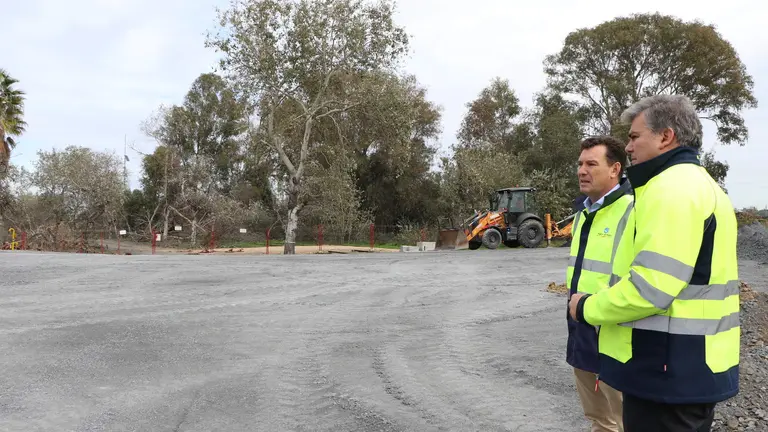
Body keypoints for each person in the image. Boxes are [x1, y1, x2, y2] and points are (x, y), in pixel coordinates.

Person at [569, 94, 740, 432]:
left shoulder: (670, 189)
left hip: (667, 369)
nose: (628, 147)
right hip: (688, 366)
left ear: (666, 136)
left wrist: (587, 308)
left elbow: (651, 288)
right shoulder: (701, 185)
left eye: (634, 137)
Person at [566, 136, 633, 432]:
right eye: (580, 164)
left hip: (616, 334)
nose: (582, 170)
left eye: (591, 164)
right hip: (582, 328)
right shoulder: (583, 213)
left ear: (615, 169)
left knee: (629, 420)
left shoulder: (633, 209)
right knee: (599, 420)